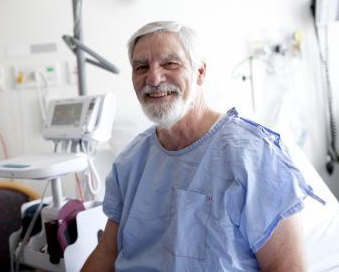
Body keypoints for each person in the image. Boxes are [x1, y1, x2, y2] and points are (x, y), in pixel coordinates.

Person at [82, 21, 324, 272]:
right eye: (141, 67)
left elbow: (286, 267)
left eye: (170, 63)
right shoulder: (130, 163)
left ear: (200, 72)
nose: (153, 78)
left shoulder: (255, 157)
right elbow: (107, 253)